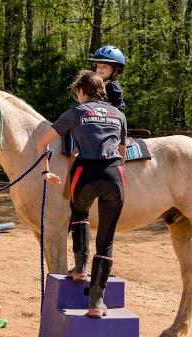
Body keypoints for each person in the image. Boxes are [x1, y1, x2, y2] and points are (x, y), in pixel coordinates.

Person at [36, 70, 127, 318]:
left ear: (81, 92)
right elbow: (121, 150)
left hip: (86, 174)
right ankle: (97, 302)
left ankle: (80, 267)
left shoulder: (76, 112)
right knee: (106, 242)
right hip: (114, 176)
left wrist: (45, 172)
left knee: (79, 212)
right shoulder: (118, 114)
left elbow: (41, 142)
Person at [89, 45, 126, 113]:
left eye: (105, 66)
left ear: (115, 71)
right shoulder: (103, 84)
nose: (100, 68)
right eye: (98, 66)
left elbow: (108, 107)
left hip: (113, 120)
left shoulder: (112, 87)